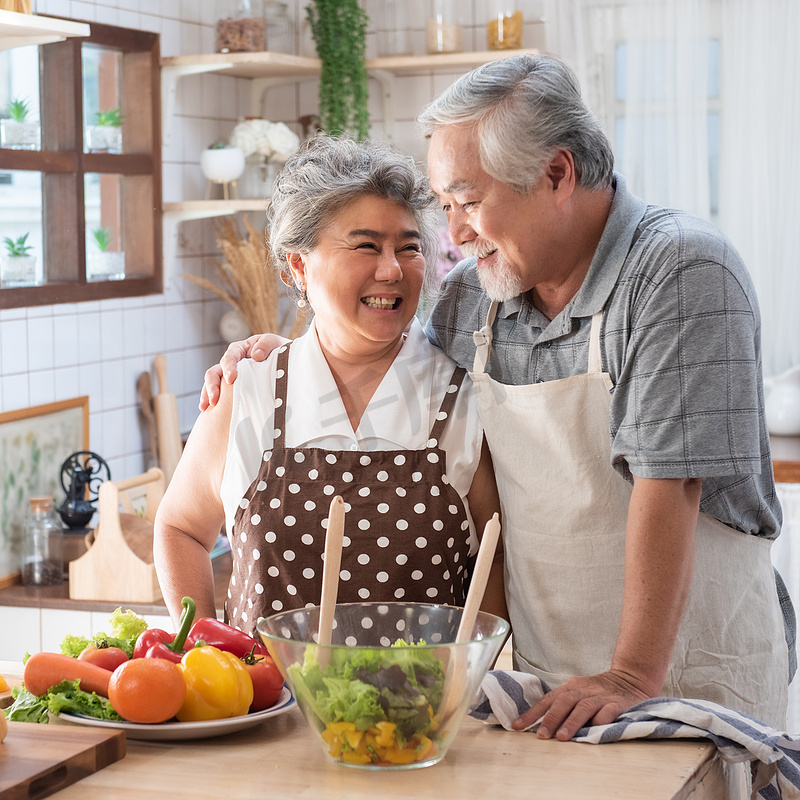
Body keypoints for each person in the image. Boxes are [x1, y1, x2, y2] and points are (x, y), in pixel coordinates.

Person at [200, 54, 794, 736]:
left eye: (469, 202)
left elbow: (670, 485)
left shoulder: (680, 271)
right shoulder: (473, 298)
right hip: (549, 687)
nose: (454, 233)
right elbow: (380, 351)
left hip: (683, 677)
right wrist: (286, 358)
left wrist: (631, 673)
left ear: (556, 175)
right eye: (445, 207)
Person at [154, 136, 506, 643]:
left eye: (408, 248)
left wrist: (475, 679)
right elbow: (180, 528)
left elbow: (496, 559)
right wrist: (201, 645)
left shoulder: (462, 398)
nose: (392, 269)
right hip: (267, 716)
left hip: (419, 717)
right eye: (366, 245)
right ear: (298, 266)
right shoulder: (248, 391)